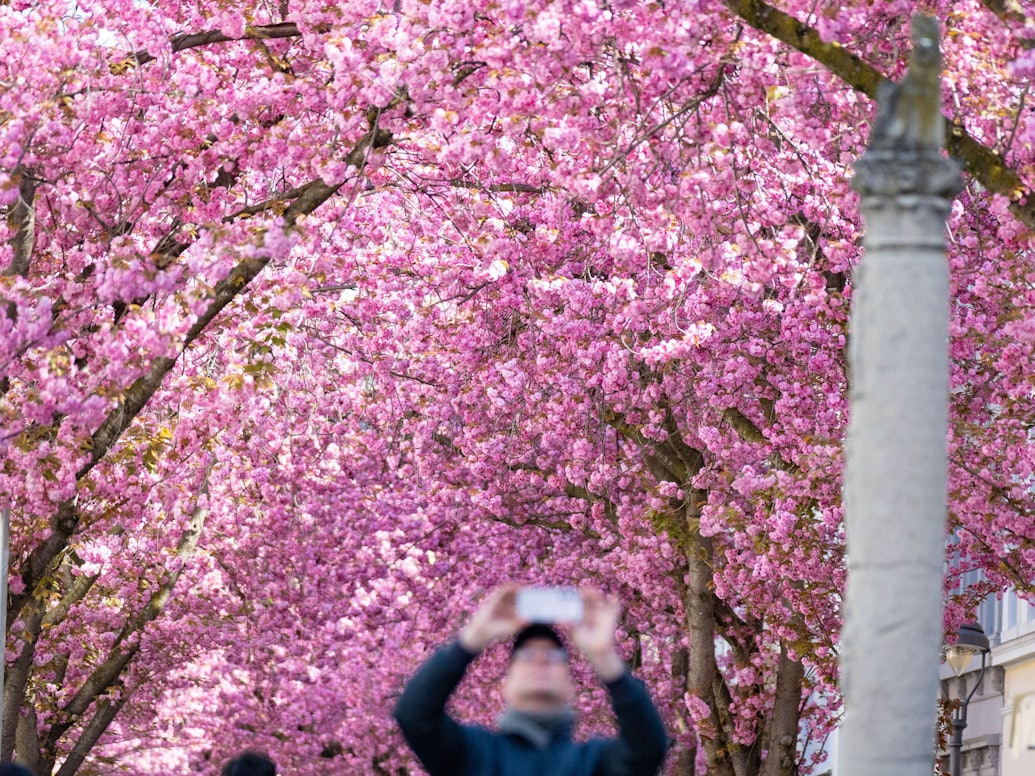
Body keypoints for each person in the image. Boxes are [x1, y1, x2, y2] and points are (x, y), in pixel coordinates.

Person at [394, 584, 668, 776]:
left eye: (553, 657)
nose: (540, 661)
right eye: (526, 655)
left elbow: (648, 749)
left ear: (571, 688)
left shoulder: (595, 762)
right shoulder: (473, 753)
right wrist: (474, 637)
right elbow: (415, 716)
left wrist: (604, 657)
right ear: (505, 686)